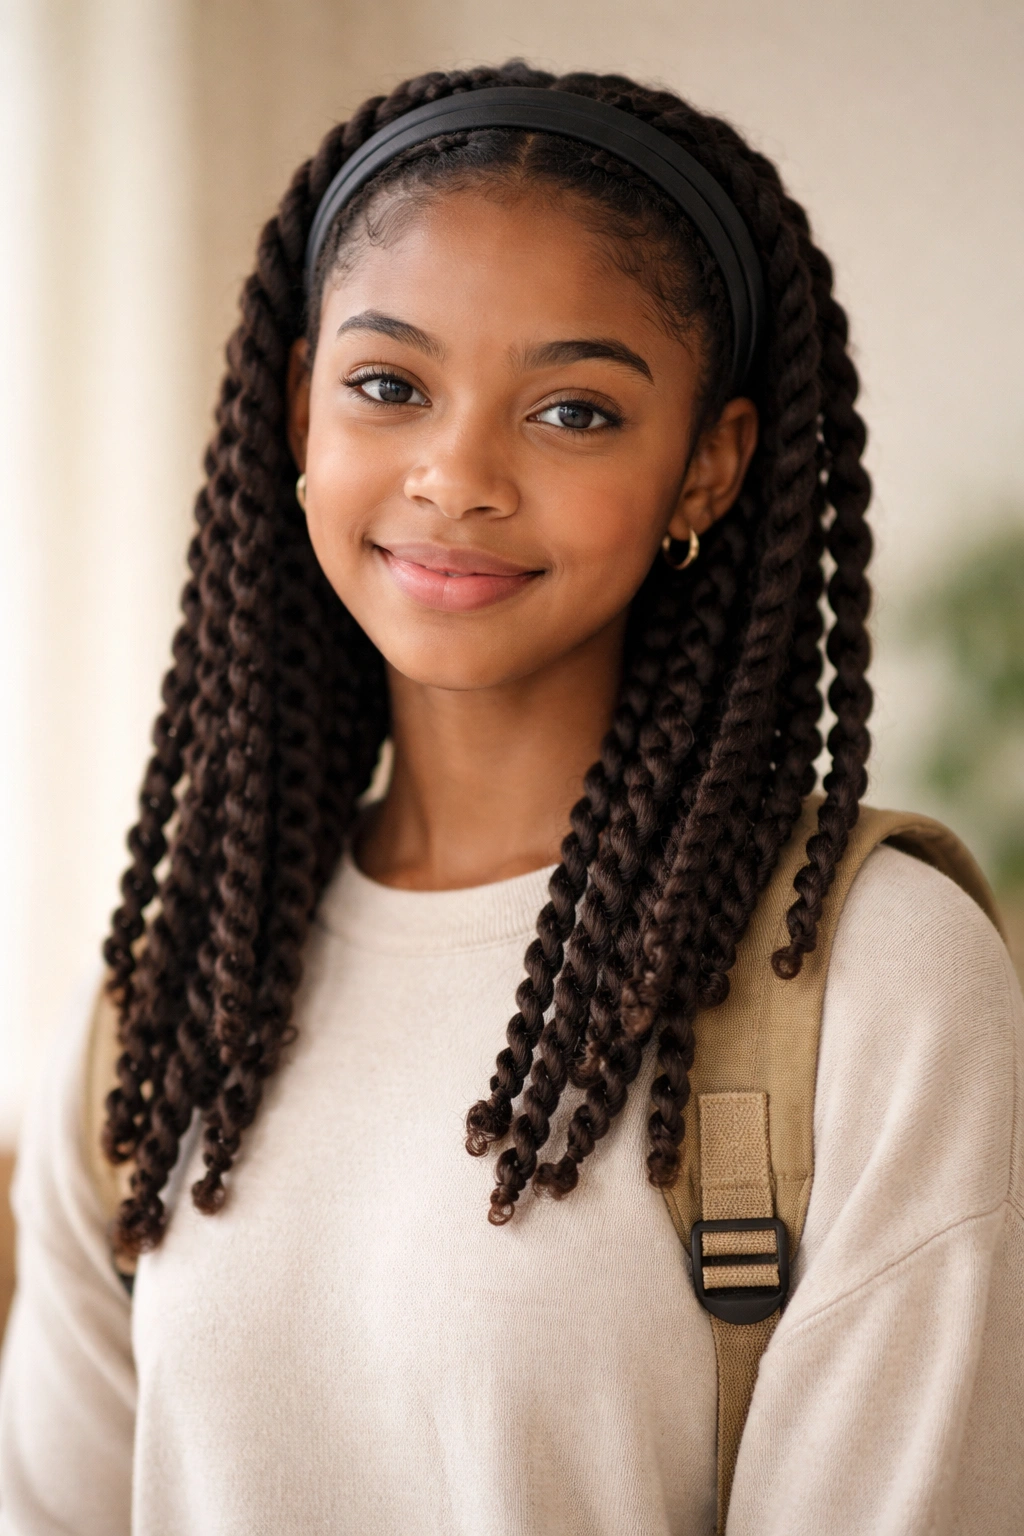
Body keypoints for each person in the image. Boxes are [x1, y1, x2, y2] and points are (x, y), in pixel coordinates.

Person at [1, 60, 1021, 1536]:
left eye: (576, 412)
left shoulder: (872, 982)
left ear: (709, 468)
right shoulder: (158, 1022)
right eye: (389, 385)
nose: (458, 474)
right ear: (300, 411)